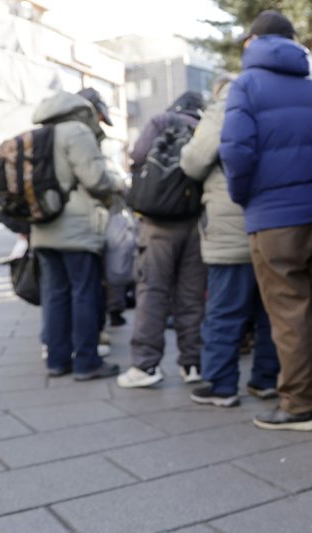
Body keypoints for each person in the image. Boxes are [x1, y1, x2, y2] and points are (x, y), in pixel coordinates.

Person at [220, 10, 312, 431]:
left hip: (273, 220)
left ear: (254, 42)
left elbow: (236, 153)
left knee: (289, 313)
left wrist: (245, 199)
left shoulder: (246, 85)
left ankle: (298, 406)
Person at [180, 75, 280, 408]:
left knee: (224, 309)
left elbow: (192, 162)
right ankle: (265, 380)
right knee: (268, 308)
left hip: (229, 223)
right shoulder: (271, 105)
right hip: (271, 220)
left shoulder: (222, 108)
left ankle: (221, 384)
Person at [117, 91, 206, 388]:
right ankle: (192, 363)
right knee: (191, 296)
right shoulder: (203, 125)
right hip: (194, 222)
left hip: (157, 224)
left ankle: (145, 365)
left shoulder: (160, 120)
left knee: (152, 292)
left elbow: (138, 155)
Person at [30, 89, 121, 380]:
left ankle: (57, 360)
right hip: (77, 226)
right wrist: (117, 183)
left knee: (55, 294)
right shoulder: (77, 132)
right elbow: (96, 179)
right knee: (84, 292)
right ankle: (86, 361)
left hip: (43, 224)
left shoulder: (39, 134)